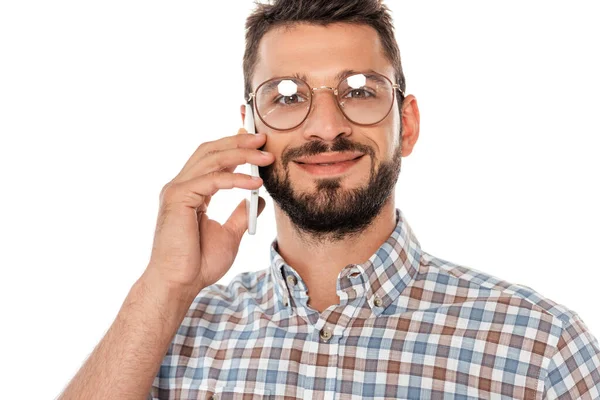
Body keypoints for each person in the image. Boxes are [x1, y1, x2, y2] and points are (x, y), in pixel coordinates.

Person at [58, 0, 600, 399]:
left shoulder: (540, 347)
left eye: (359, 90)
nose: (324, 125)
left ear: (405, 125)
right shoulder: (171, 335)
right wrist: (164, 284)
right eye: (287, 97)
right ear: (250, 130)